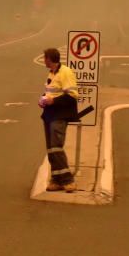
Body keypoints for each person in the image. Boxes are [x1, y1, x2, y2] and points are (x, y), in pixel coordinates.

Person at [38, 48, 78, 193]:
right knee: (51, 149)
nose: (44, 61)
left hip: (59, 115)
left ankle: (68, 181)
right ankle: (56, 180)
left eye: (45, 58)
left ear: (50, 58)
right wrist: (43, 99)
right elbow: (51, 92)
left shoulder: (65, 72)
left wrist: (52, 101)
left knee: (56, 147)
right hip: (49, 114)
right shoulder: (52, 73)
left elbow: (72, 96)